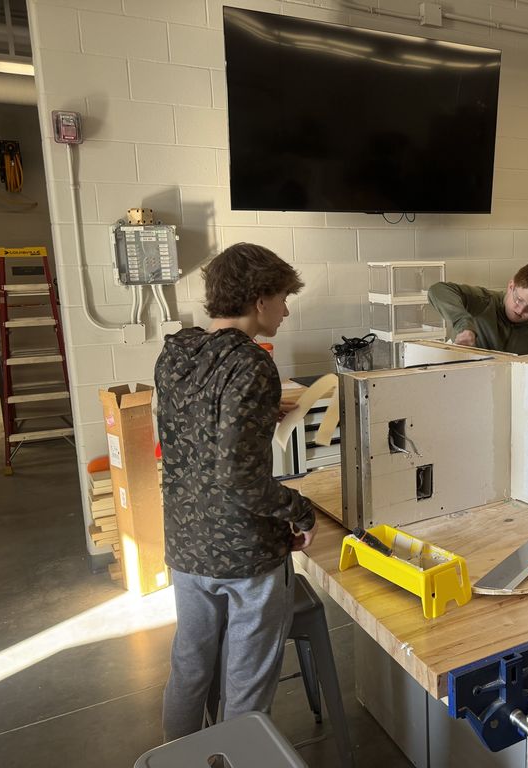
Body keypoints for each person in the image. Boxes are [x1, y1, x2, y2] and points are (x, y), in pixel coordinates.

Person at [156, 242, 317, 741]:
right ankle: (237, 756)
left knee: (191, 664)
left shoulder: (177, 354)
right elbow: (239, 480)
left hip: (185, 543)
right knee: (246, 683)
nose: (286, 310)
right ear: (259, 298)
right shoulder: (252, 364)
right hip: (244, 553)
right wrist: (299, 511)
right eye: (284, 297)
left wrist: (255, 418)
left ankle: (178, 757)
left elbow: (195, 436)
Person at [427, 262, 528, 354]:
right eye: (519, 300)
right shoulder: (482, 302)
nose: (520, 310)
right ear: (511, 286)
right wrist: (463, 324)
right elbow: (437, 290)